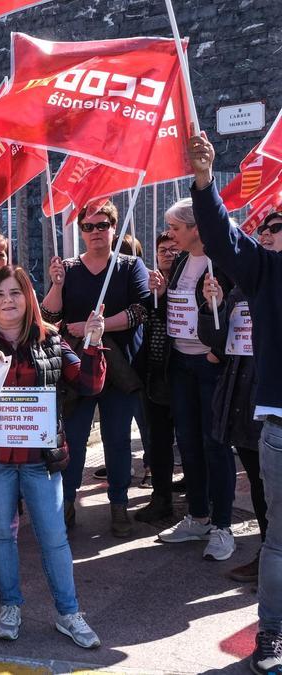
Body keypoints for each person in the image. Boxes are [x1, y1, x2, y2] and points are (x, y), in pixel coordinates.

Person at [0, 265, 105, 649]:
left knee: (54, 538)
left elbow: (89, 383)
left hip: (41, 461)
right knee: (2, 536)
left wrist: (93, 342)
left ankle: (69, 613)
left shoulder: (50, 340)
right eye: (0, 294)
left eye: (16, 293)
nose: (8, 301)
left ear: (29, 298)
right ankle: (9, 606)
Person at [187, 131, 282, 675]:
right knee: (280, 543)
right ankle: (271, 634)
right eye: (273, 227)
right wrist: (204, 180)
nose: (276, 234)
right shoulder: (266, 273)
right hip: (279, 431)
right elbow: (223, 240)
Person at [41, 201, 150, 537]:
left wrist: (99, 327)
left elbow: (140, 310)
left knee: (117, 440)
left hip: (121, 368)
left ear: (114, 228)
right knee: (72, 438)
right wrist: (57, 284)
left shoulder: (131, 266)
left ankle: (119, 504)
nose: (95, 232)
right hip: (79, 371)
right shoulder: (69, 269)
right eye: (88, 227)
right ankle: (68, 503)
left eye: (102, 225)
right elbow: (51, 318)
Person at [152, 198, 237, 562]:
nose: (170, 235)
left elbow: (241, 310)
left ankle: (222, 525)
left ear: (195, 228)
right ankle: (198, 516)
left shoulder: (226, 260)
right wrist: (160, 294)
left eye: (175, 228)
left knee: (215, 444)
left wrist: (222, 351)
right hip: (181, 364)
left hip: (211, 364)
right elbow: (176, 309)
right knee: (187, 441)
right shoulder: (183, 260)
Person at [199, 213, 281, 582]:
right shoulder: (242, 283)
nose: (265, 233)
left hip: (270, 399)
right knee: (261, 485)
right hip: (242, 398)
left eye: (275, 228)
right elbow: (214, 341)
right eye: (262, 229)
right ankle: (267, 556)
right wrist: (211, 305)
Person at [134, 233, 182, 524]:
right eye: (163, 250)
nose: (168, 254)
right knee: (158, 440)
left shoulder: (195, 280)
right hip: (155, 374)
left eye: (174, 250)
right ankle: (161, 498)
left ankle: (202, 495)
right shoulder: (149, 285)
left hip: (185, 371)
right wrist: (155, 296)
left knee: (192, 439)